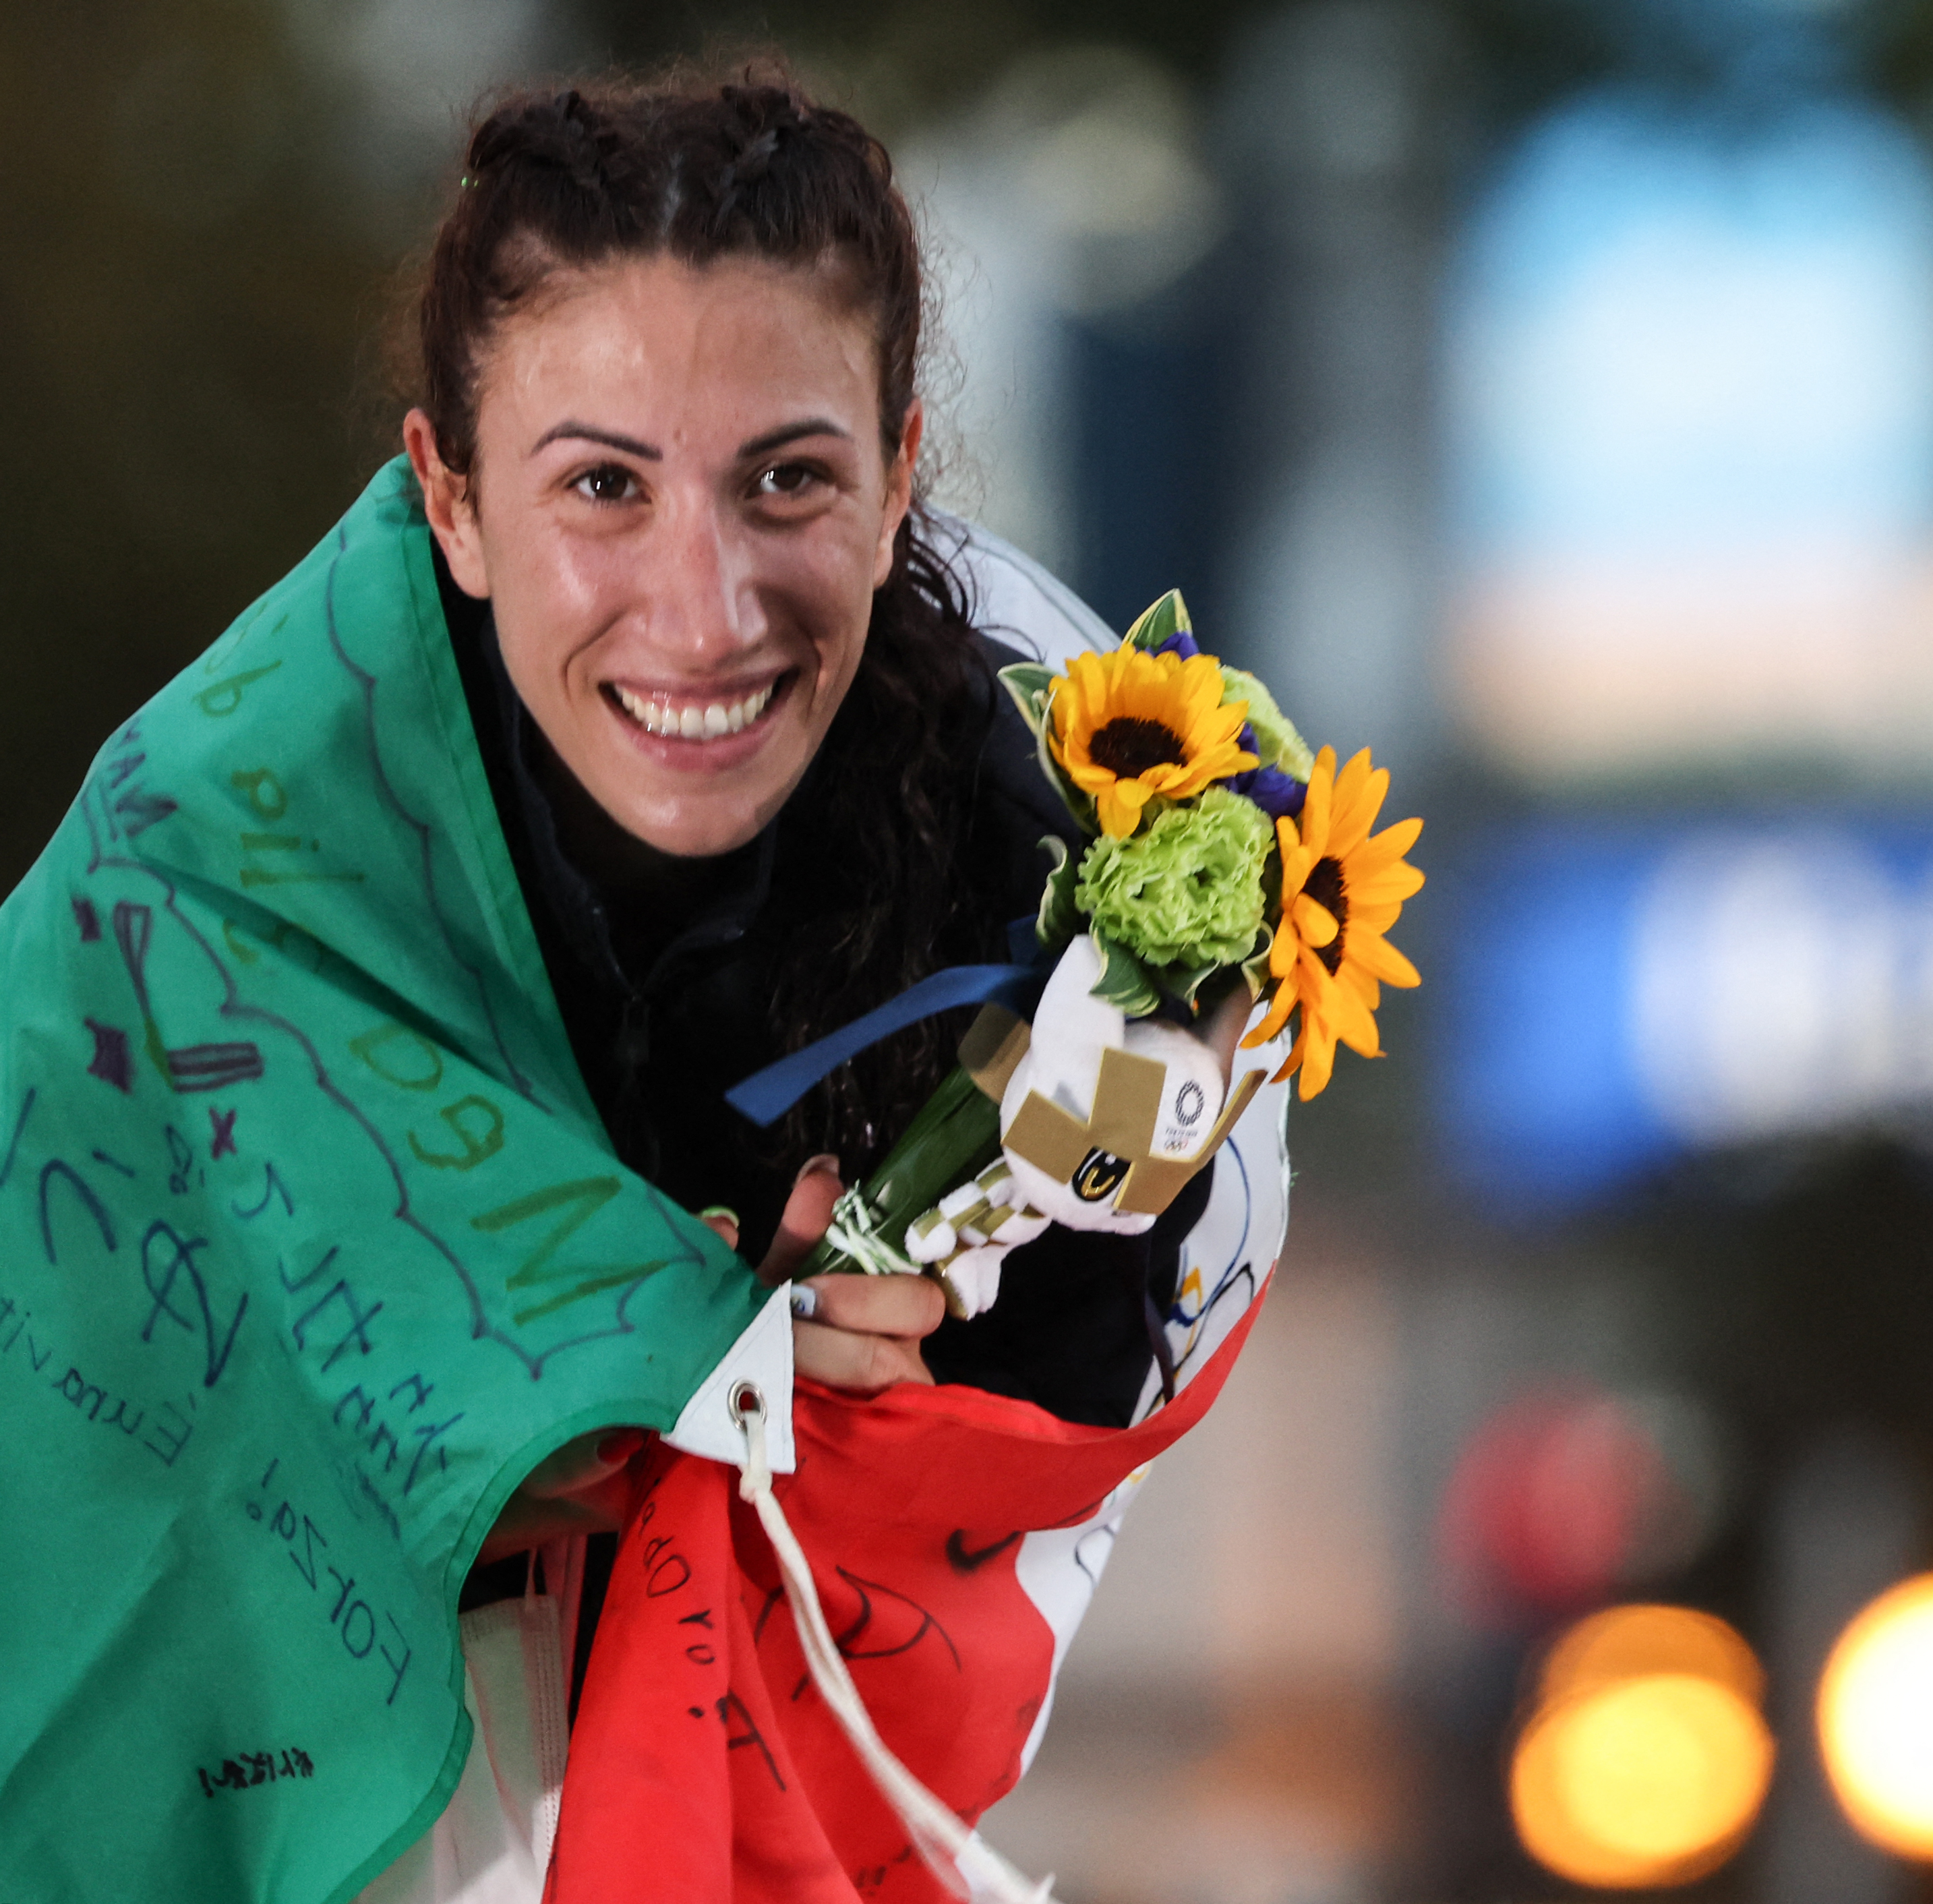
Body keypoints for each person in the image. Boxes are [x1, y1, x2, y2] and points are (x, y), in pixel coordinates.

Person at [0, 64, 1286, 1904]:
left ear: (900, 476)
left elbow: (1049, 1434)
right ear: (449, 500)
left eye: (789, 481)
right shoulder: (193, 866)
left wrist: (900, 1372)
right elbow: (82, 1431)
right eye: (603, 485)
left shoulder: (1055, 889)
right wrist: (570, 1400)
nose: (704, 608)